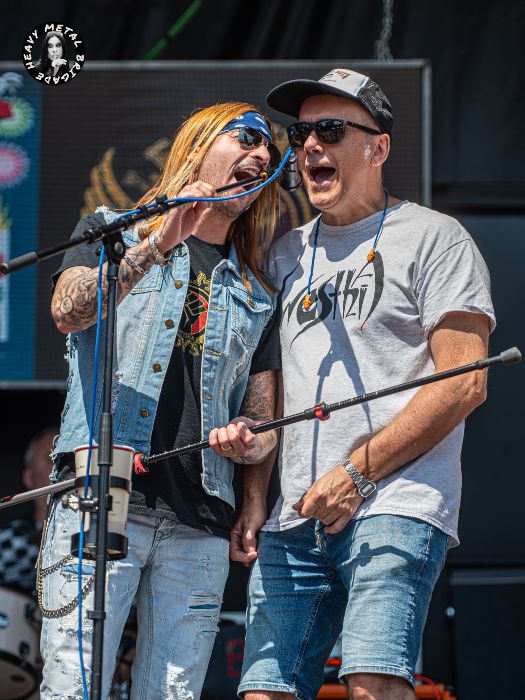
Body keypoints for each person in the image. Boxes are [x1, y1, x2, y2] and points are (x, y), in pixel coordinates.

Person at [234, 69, 496, 700]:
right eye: (300, 134)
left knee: (373, 680)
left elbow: (465, 382)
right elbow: (268, 391)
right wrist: (254, 498)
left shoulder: (435, 237)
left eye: (330, 131)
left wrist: (356, 473)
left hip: (394, 502)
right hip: (294, 516)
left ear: (378, 148)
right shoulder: (283, 254)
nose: (310, 147)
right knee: (264, 690)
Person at [41, 103, 282, 699]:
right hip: (103, 497)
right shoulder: (112, 231)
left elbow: (266, 422)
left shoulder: (256, 292)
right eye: (246, 138)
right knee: (74, 688)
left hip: (200, 521)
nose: (260, 154)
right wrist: (159, 242)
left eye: (269, 152)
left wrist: (249, 447)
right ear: (197, 146)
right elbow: (68, 312)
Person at [0, 428, 56, 592]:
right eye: (51, 459)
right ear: (29, 478)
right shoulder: (7, 541)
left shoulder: (95, 536)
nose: (62, 468)